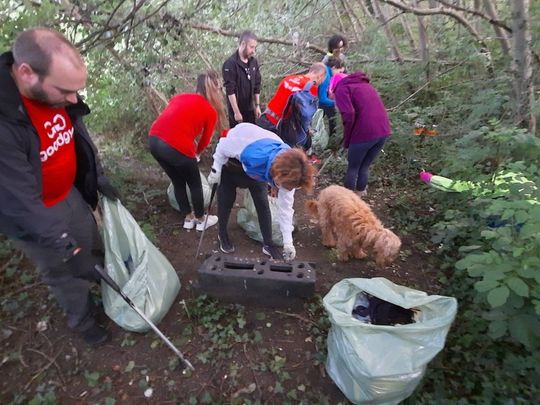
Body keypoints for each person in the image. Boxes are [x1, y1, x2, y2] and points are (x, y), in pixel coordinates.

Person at [0, 27, 120, 345]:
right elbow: (17, 200)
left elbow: (76, 135)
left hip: (69, 195)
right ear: (26, 73)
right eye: (66, 91)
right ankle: (84, 322)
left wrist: (97, 175)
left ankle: (103, 288)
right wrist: (63, 243)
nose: (74, 99)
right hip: (35, 216)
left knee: (92, 247)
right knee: (65, 272)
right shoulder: (5, 120)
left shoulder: (55, 92)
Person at [207, 123, 316, 261]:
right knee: (226, 200)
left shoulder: (291, 172)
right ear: (278, 175)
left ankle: (268, 244)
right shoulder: (253, 154)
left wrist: (288, 243)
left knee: (263, 204)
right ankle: (222, 234)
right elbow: (223, 145)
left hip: (258, 171)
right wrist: (216, 168)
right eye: (283, 185)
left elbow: (285, 209)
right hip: (233, 162)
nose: (285, 190)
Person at [149, 70, 226, 231]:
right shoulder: (210, 111)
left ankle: (188, 218)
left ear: (197, 86)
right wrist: (196, 153)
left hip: (154, 140)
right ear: (215, 90)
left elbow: (172, 120)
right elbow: (205, 140)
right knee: (195, 184)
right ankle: (200, 219)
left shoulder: (179, 97)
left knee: (178, 181)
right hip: (177, 145)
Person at [333, 70, 391, 196]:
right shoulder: (366, 85)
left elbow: (349, 114)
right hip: (383, 131)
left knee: (353, 167)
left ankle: (348, 200)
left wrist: (347, 138)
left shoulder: (342, 89)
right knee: (364, 165)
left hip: (364, 132)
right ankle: (360, 192)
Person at [256, 62, 326, 133]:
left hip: (264, 118)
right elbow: (306, 115)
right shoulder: (311, 88)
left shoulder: (289, 78)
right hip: (278, 127)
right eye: (322, 80)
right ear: (320, 76)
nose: (320, 83)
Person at [222, 30, 262, 128]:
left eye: (255, 48)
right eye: (251, 47)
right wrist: (236, 112)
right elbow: (230, 90)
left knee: (252, 134)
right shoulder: (230, 64)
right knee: (238, 137)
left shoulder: (253, 62)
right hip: (237, 110)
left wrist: (257, 106)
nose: (253, 51)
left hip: (250, 108)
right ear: (243, 44)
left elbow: (257, 84)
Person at [318, 57, 345, 140]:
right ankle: (332, 139)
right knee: (330, 117)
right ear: (333, 68)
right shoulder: (326, 76)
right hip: (316, 101)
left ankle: (331, 137)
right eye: (339, 71)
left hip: (317, 101)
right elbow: (322, 99)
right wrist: (337, 103)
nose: (340, 74)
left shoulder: (326, 71)